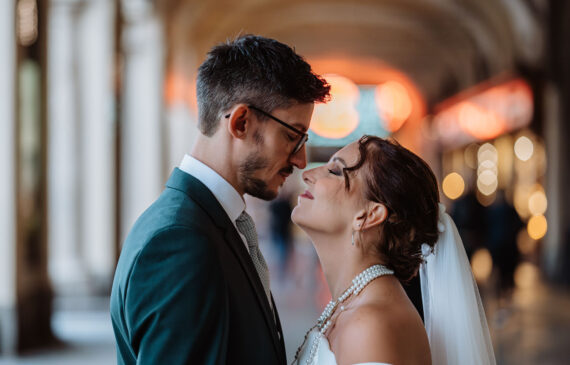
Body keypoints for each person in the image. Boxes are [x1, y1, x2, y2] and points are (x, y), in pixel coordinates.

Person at [110, 35, 330, 365]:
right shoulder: (178, 242)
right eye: (292, 136)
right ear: (241, 122)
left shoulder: (205, 222)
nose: (301, 160)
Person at [291, 136, 496, 365]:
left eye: (335, 171)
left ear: (369, 215)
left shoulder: (369, 325)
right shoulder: (357, 307)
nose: (307, 174)